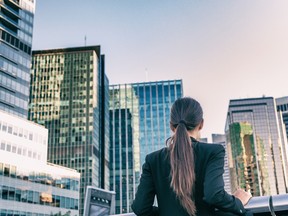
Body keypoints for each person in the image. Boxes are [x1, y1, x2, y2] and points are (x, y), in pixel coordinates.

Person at [131, 97, 252, 216]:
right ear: (201, 124)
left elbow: (140, 208)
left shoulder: (152, 160)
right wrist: (238, 202)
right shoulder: (213, 152)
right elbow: (214, 195)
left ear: (171, 126)